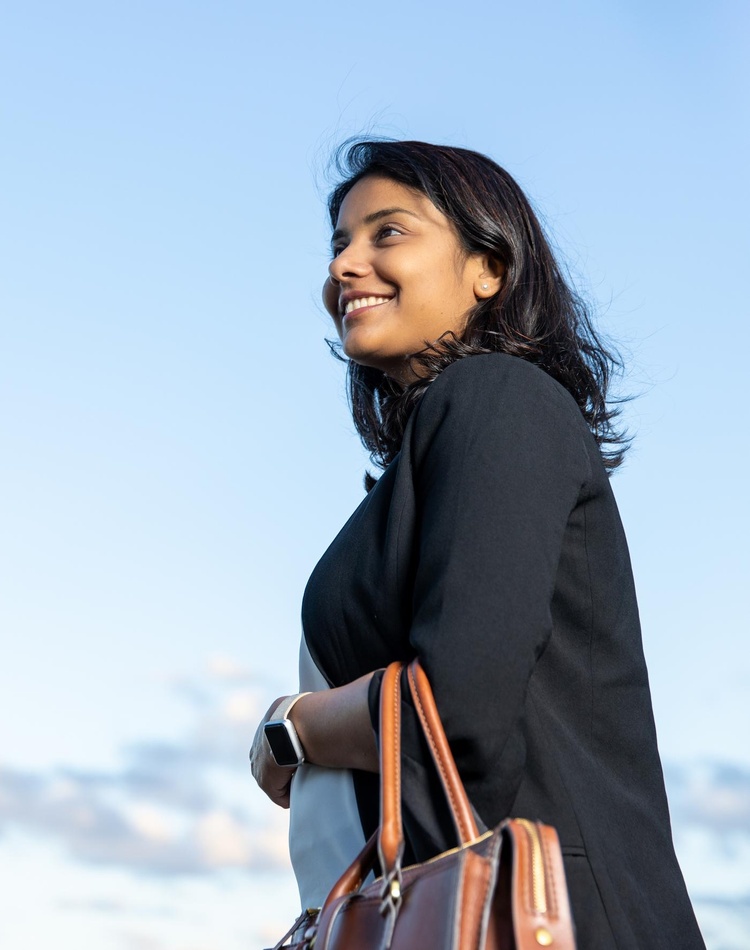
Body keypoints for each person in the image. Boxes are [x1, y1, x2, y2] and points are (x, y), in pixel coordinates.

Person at [250, 140, 705, 948]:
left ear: (489, 266)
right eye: (339, 245)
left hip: (548, 918)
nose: (345, 266)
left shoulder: (498, 397)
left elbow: (457, 708)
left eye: (387, 233)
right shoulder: (451, 430)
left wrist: (294, 728)